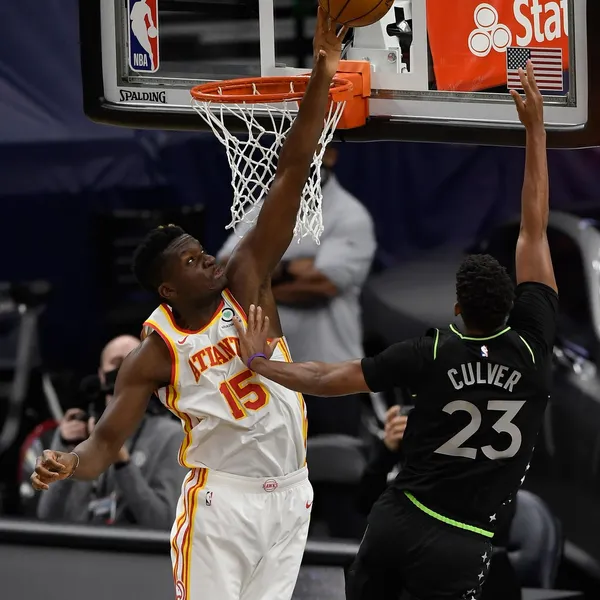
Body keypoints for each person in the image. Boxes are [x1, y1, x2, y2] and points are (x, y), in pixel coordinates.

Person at [31, 10, 348, 600]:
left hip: (292, 493)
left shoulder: (247, 278)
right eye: (191, 261)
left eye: (202, 251)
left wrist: (323, 72)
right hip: (222, 502)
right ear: (168, 290)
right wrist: (69, 463)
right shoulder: (154, 354)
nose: (207, 260)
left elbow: (289, 173)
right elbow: (104, 444)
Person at [232, 62, 557, 600]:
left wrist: (260, 363)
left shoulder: (432, 350)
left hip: (399, 518)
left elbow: (327, 378)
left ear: (457, 308)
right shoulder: (534, 344)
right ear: (515, 306)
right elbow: (534, 229)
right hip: (463, 537)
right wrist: (537, 129)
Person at [218, 145, 377, 437]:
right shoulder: (264, 209)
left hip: (331, 375)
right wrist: (293, 268)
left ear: (331, 155)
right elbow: (227, 268)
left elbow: (323, 284)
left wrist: (261, 282)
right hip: (268, 375)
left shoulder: (349, 214)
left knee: (335, 461)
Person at [36, 335, 186, 529]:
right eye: (116, 363)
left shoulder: (170, 436)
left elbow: (163, 523)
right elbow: (46, 516)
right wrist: (64, 451)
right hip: (77, 544)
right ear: (101, 375)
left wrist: (123, 464)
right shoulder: (78, 435)